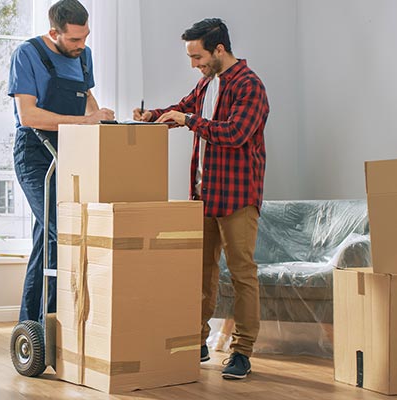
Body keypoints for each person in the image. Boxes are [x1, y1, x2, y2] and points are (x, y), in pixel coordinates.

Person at [133, 18, 269, 380]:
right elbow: (182, 109)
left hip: (238, 196)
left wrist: (189, 119)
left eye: (197, 56)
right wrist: (154, 116)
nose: (194, 64)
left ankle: (242, 351)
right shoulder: (208, 83)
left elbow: (236, 133)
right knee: (201, 272)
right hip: (204, 195)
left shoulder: (250, 86)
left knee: (242, 274)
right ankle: (198, 341)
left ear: (219, 49)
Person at [8, 0, 114, 324]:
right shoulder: (27, 54)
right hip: (35, 154)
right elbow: (28, 115)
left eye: (86, 38)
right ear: (54, 32)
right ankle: (59, 319)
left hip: (70, 151)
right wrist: (87, 122)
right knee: (64, 229)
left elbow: (88, 102)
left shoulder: (85, 56)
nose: (81, 46)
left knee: (47, 238)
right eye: (74, 40)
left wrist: (105, 122)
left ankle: (36, 324)